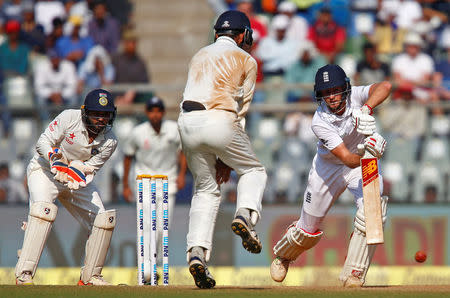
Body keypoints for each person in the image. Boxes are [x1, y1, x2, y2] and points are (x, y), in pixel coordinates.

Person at [269, 64, 391, 287]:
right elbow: (346, 158)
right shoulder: (319, 121)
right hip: (330, 169)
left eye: (335, 90)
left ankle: (355, 272)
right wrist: (369, 152)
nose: (332, 97)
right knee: (307, 231)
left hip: (361, 165)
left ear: (345, 87)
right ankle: (284, 255)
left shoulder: (356, 95)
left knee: (373, 212)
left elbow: (385, 86)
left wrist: (367, 109)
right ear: (319, 95)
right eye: (326, 92)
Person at [178, 10, 267, 289]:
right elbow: (240, 109)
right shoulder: (247, 60)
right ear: (242, 35)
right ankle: (245, 216)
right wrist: (226, 158)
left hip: (186, 123)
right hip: (219, 121)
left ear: (217, 33)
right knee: (253, 170)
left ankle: (197, 254)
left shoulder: (199, 55)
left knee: (205, 189)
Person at [15, 89, 118, 286]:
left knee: (103, 220)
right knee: (42, 213)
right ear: (85, 112)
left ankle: (91, 277)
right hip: (45, 171)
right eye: (96, 114)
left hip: (75, 179)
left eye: (105, 114)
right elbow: (42, 142)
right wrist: (55, 159)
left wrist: (79, 169)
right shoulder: (69, 117)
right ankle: (24, 274)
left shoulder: (110, 141)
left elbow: (90, 168)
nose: (101, 119)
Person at [121, 96, 187, 261]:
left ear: (163, 112)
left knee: (163, 227)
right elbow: (128, 157)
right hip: (144, 182)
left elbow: (183, 152)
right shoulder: (138, 132)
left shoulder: (174, 129)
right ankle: (145, 264)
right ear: (147, 112)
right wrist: (125, 186)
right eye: (151, 111)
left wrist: (181, 175)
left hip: (168, 182)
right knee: (146, 227)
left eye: (158, 111)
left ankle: (154, 263)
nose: (155, 115)